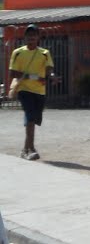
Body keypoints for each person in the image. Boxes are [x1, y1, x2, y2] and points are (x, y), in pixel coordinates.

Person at [7, 24, 57, 160]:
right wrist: (30, 76)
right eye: (29, 35)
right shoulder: (18, 52)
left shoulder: (44, 53)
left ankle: (26, 149)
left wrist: (52, 77)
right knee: (30, 118)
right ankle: (30, 150)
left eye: (34, 35)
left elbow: (49, 69)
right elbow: (12, 73)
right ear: (25, 37)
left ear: (38, 37)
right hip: (24, 89)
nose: (31, 37)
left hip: (39, 91)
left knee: (34, 119)